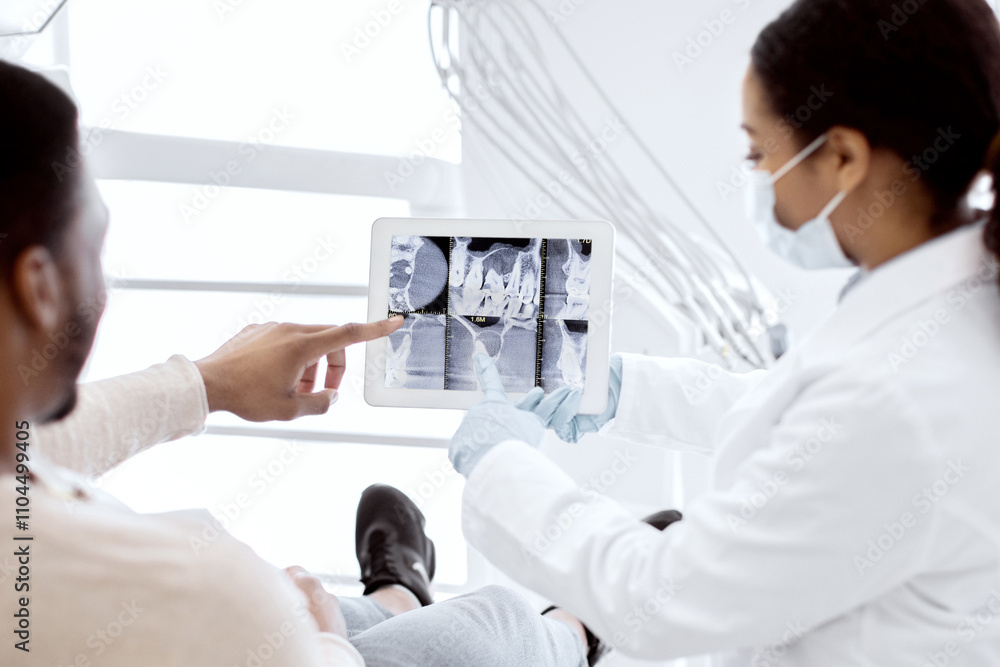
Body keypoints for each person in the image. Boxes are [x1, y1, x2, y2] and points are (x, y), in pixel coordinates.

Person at [0, 58, 633, 666]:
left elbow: (35, 450)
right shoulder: (202, 590)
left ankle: (398, 592)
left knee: (321, 611)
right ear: (41, 286)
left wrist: (208, 383)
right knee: (486, 629)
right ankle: (579, 628)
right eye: (96, 247)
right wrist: (324, 643)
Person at [449, 0, 1000, 665]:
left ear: (845, 157)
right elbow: (809, 430)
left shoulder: (898, 395)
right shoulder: (952, 306)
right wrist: (626, 389)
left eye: (757, 150)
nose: (758, 179)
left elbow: (663, 600)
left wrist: (500, 467)